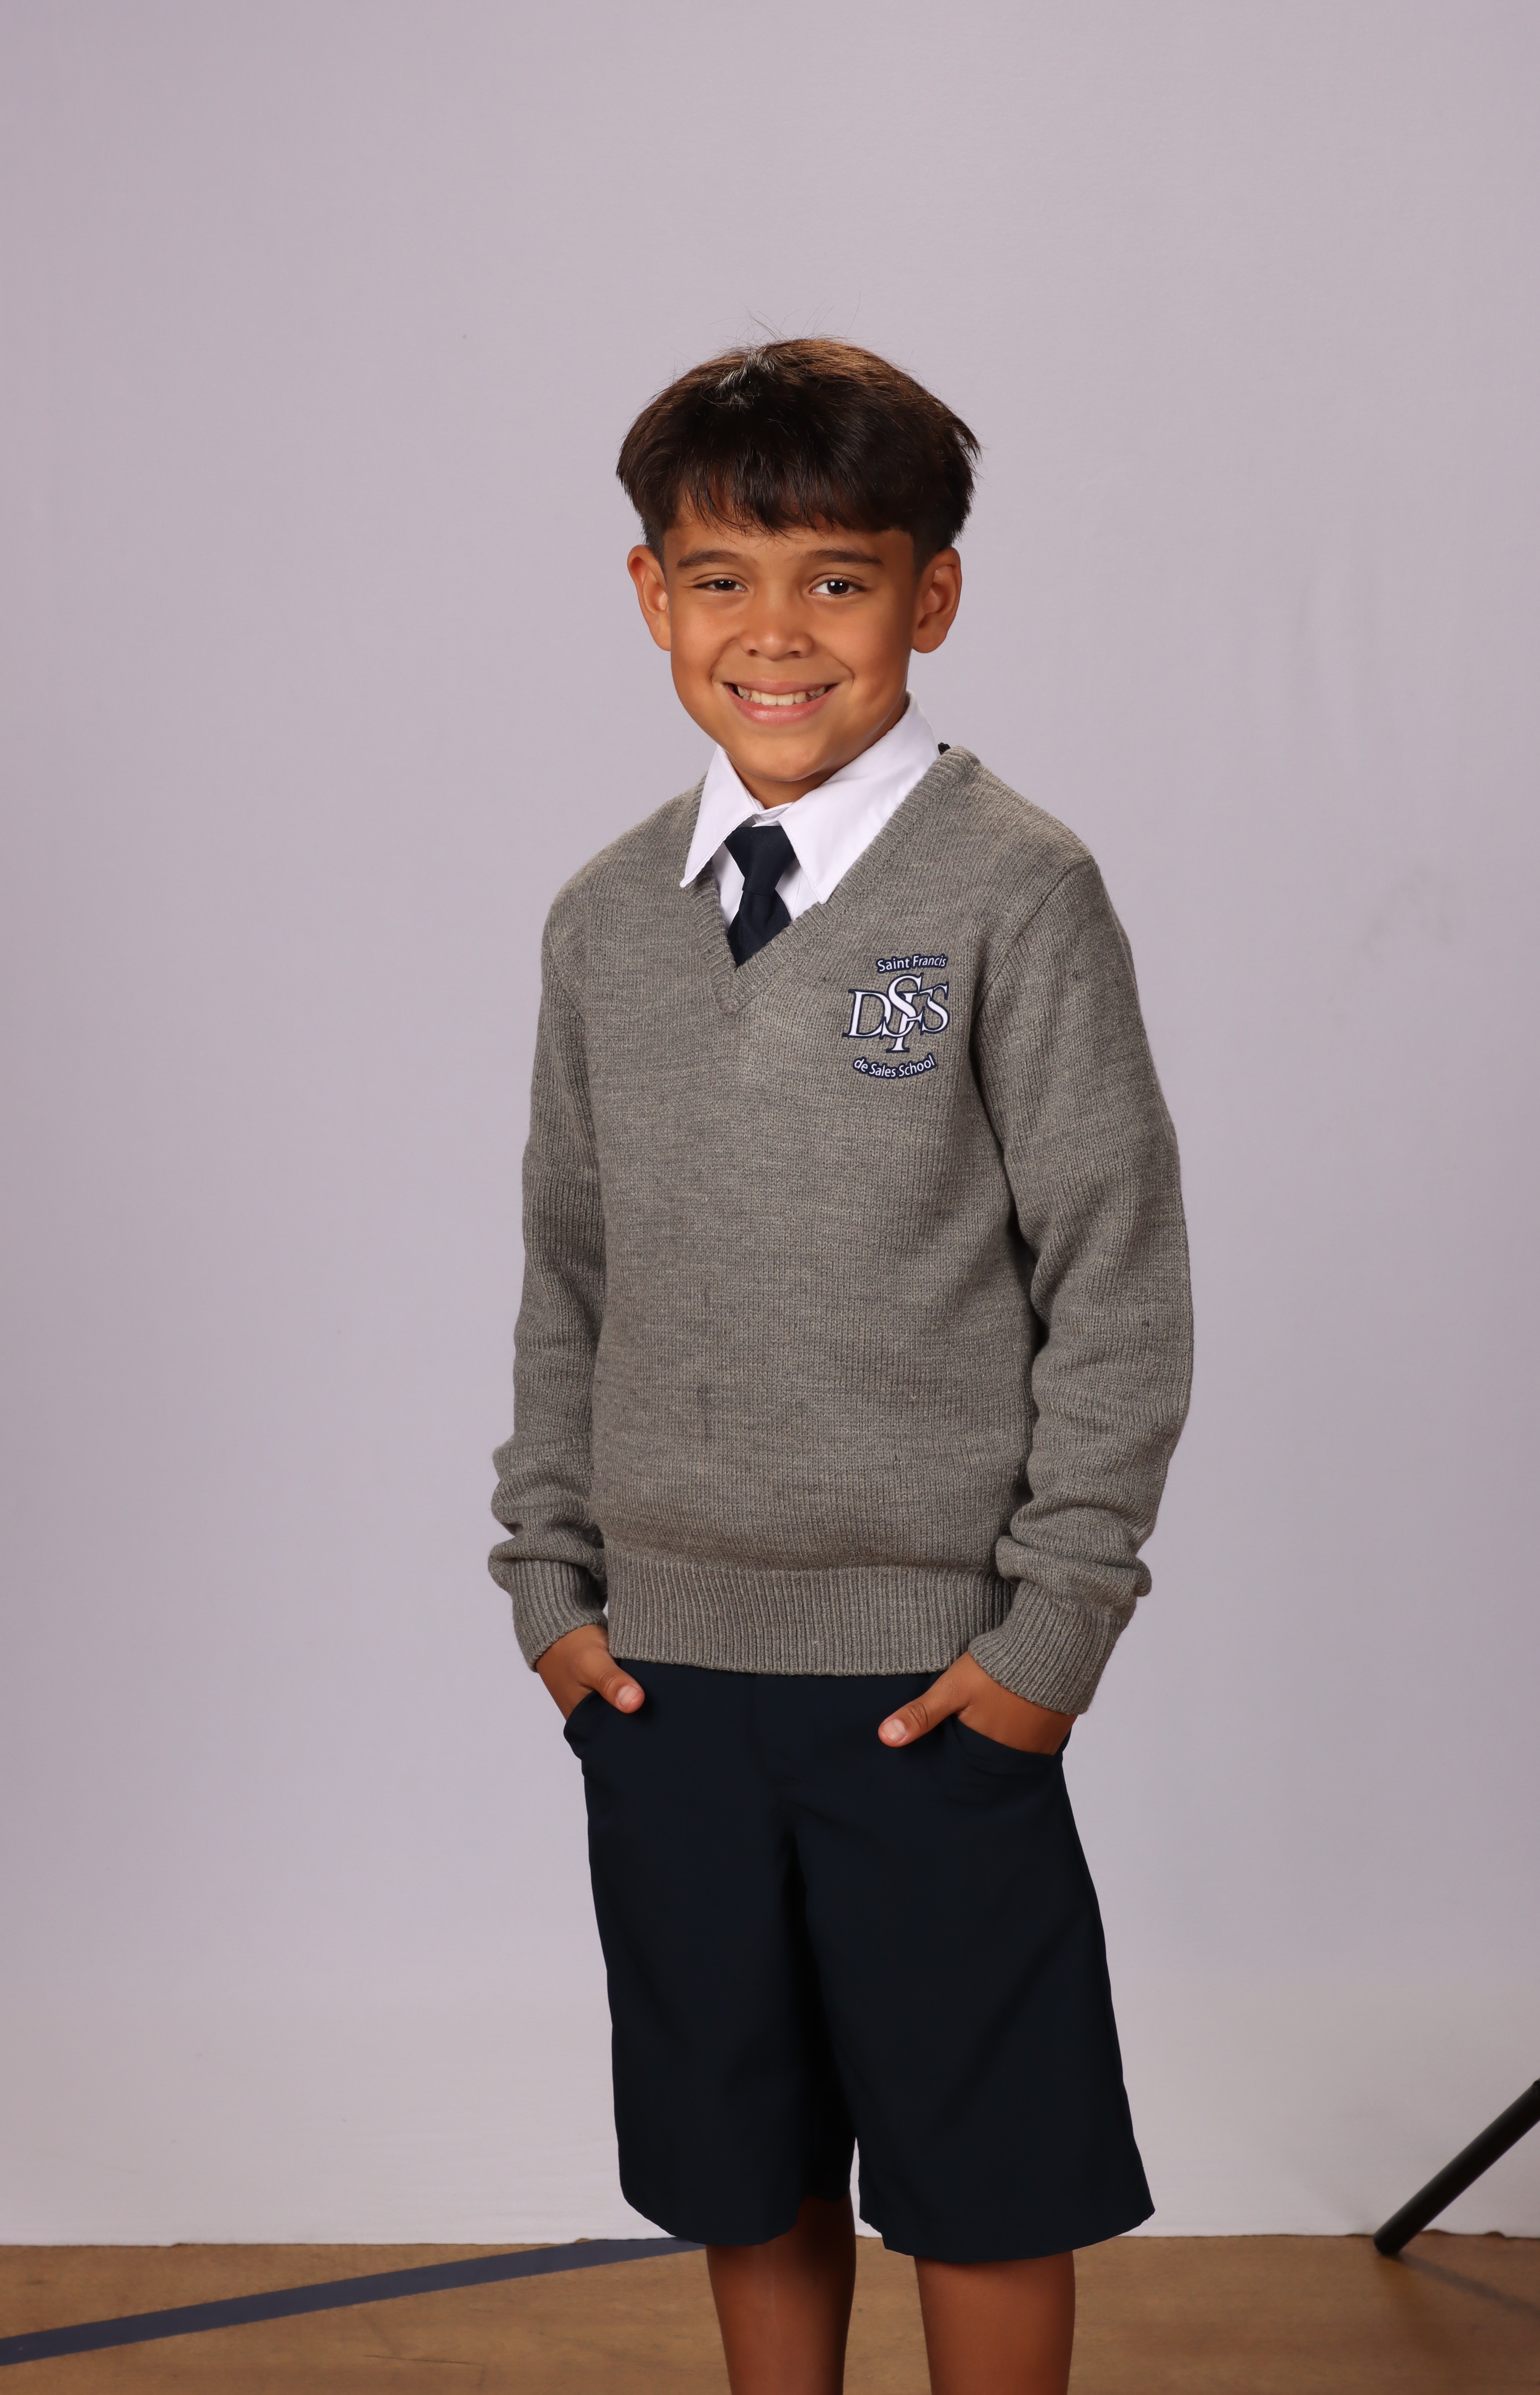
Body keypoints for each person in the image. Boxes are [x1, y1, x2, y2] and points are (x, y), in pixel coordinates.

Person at [489, 338, 1192, 2395]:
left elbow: (1117, 1279)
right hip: (660, 1679)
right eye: (720, 578)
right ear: (650, 597)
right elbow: (567, 1271)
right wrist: (549, 1590)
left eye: (837, 580)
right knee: (745, 2164)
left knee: (983, 2175)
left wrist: (1052, 1634)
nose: (775, 633)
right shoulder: (604, 920)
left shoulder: (1015, 890)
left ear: (929, 596)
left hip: (931, 1686)